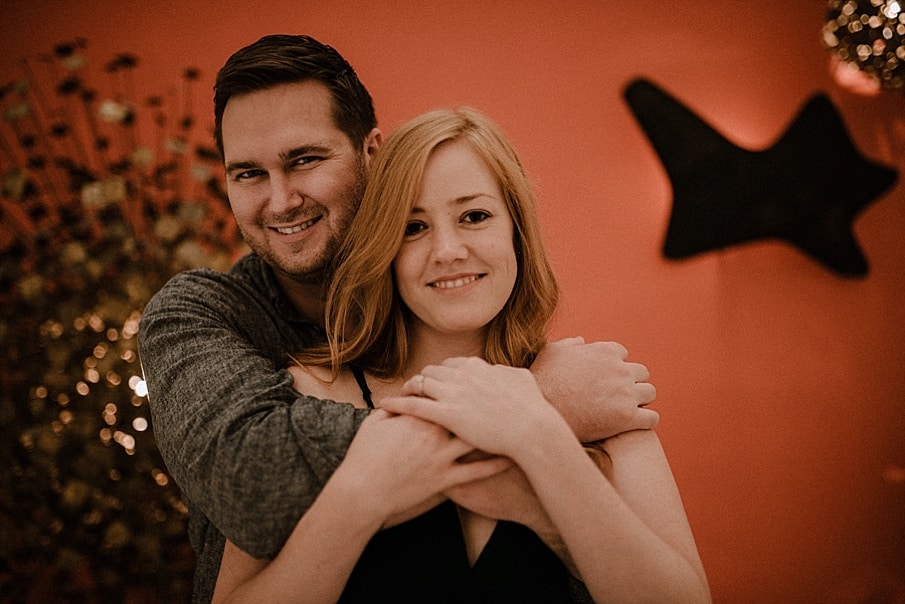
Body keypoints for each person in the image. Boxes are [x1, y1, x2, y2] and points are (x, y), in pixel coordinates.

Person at [138, 35, 660, 602]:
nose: (281, 200)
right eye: (248, 173)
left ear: (371, 153)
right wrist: (535, 405)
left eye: (304, 160)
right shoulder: (210, 319)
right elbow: (254, 489)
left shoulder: (580, 383)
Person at [210, 108, 710, 603]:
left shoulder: (596, 396)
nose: (448, 250)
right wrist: (362, 495)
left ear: (516, 230)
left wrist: (542, 454)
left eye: (474, 217)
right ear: (384, 247)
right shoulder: (307, 396)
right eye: (413, 227)